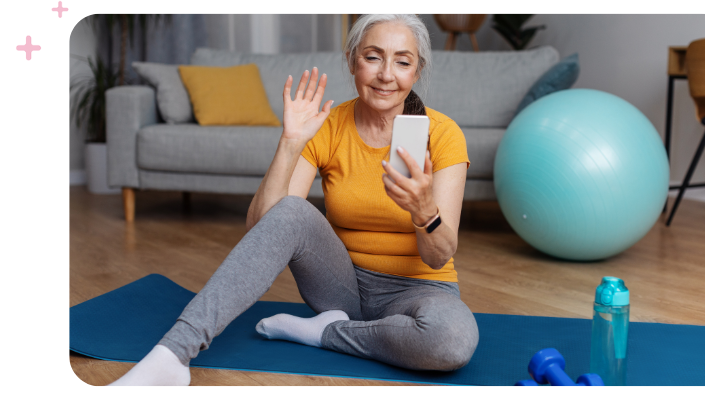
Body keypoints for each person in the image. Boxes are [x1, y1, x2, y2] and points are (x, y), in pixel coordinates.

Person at [109, 14, 478, 386]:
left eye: (402, 61)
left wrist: (423, 210)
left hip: (421, 289)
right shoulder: (328, 125)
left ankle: (323, 334)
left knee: (451, 341)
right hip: (341, 286)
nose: (386, 74)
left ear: (416, 72)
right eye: (372, 57)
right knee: (292, 210)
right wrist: (290, 142)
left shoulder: (443, 134)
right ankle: (172, 355)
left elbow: (438, 256)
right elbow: (265, 228)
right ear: (351, 61)